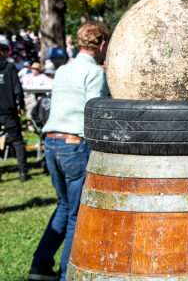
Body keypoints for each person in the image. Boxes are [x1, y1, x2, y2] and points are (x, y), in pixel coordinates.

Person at [28, 22, 109, 281]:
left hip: (51, 143)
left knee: (63, 205)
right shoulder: (95, 73)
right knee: (76, 214)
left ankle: (40, 266)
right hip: (75, 145)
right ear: (102, 45)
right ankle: (67, 274)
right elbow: (95, 111)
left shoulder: (63, 70)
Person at [0, 36, 29, 181]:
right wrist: (21, 105)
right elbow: (18, 89)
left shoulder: (10, 67)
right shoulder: (10, 67)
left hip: (7, 111)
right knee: (17, 141)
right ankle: (23, 172)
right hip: (9, 111)